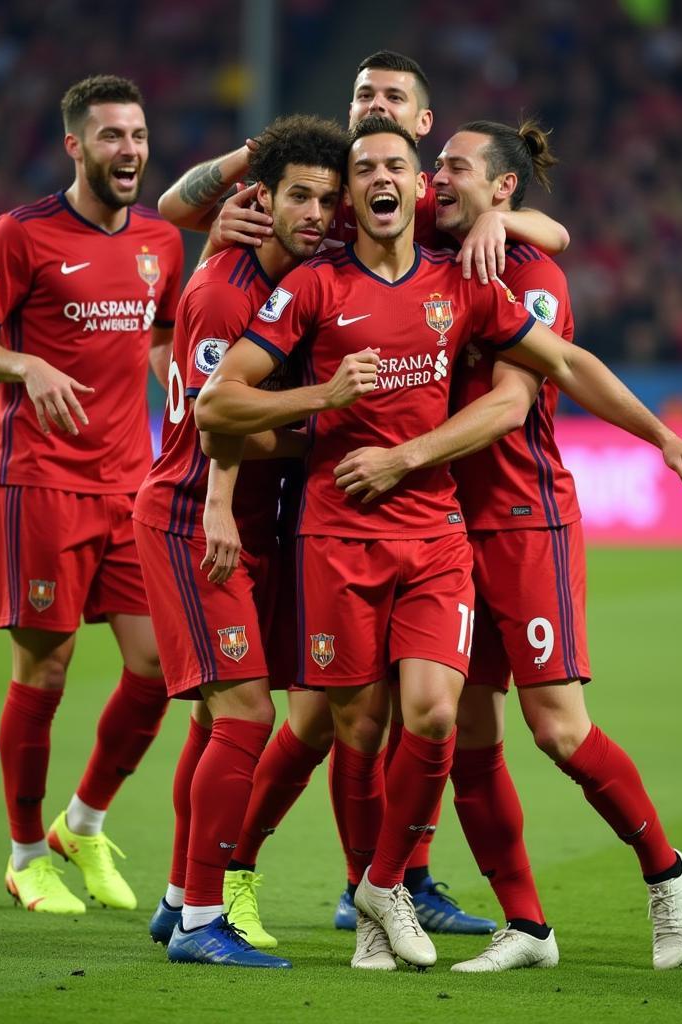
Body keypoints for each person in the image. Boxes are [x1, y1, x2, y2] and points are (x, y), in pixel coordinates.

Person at [193, 117, 682, 971]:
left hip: (511, 519)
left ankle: (663, 872)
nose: (422, 179)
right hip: (407, 526)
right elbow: (222, 398)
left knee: (551, 729)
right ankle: (521, 926)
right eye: (388, 167)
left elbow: (544, 379)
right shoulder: (358, 265)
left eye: (436, 164)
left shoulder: (507, 268)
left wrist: (660, 434)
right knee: (428, 730)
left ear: (500, 186)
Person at [160, 48, 567, 942]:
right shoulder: (317, 211)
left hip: (395, 513)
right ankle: (228, 882)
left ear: (424, 136)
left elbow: (550, 259)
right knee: (305, 719)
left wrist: (518, 224)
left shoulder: (430, 212)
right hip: (313, 510)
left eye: (390, 104)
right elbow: (174, 212)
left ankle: (380, 883)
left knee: (380, 715)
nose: (370, 109)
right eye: (360, 97)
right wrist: (252, 176)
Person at [0, 75, 184, 915]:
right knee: (44, 668)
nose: (130, 151)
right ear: (76, 146)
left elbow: (160, 335)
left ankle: (80, 823)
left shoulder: (161, 240)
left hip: (130, 483)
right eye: (112, 137)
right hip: (38, 481)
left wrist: (183, 393)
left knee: (158, 666)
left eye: (139, 135)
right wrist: (26, 362)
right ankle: (22, 855)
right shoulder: (25, 234)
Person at [131, 114, 353, 968]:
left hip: (250, 523)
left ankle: (178, 900)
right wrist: (326, 410)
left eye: (328, 200)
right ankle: (199, 924)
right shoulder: (223, 293)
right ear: (260, 199)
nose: (318, 212)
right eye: (301, 195)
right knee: (248, 714)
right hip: (195, 519)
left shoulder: (298, 279)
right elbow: (222, 420)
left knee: (214, 723)